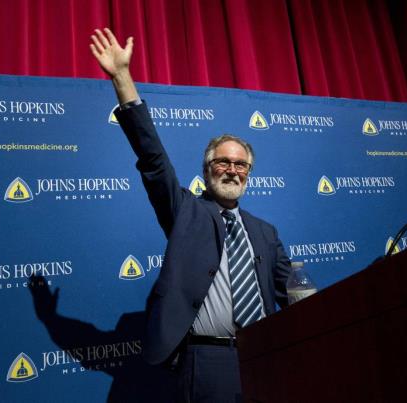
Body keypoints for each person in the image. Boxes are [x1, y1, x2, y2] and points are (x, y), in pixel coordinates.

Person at [89, 28, 291, 402]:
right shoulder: (186, 212)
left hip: (266, 355)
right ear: (207, 170)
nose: (232, 170)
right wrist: (122, 78)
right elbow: (153, 161)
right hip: (206, 362)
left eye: (241, 164)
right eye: (223, 162)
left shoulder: (266, 232)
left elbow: (294, 295)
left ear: (249, 172)